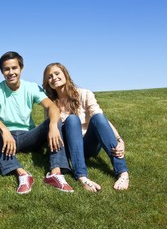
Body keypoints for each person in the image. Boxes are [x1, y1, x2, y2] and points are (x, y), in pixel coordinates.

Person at [0, 51, 73, 194]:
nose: (11, 72)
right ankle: (21, 173)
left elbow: (52, 107)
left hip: (29, 136)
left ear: (21, 69)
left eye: (14, 68)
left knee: (55, 120)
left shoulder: (31, 87)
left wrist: (53, 126)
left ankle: (55, 173)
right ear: (2, 71)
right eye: (6, 69)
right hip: (7, 139)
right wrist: (4, 130)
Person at [42, 62, 129, 192]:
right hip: (69, 147)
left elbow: (102, 120)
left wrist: (119, 139)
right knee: (72, 119)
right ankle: (82, 176)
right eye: (49, 76)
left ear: (65, 74)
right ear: (47, 82)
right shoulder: (50, 104)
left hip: (89, 144)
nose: (54, 77)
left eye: (57, 73)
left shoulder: (84, 94)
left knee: (98, 117)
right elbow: (52, 130)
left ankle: (123, 173)